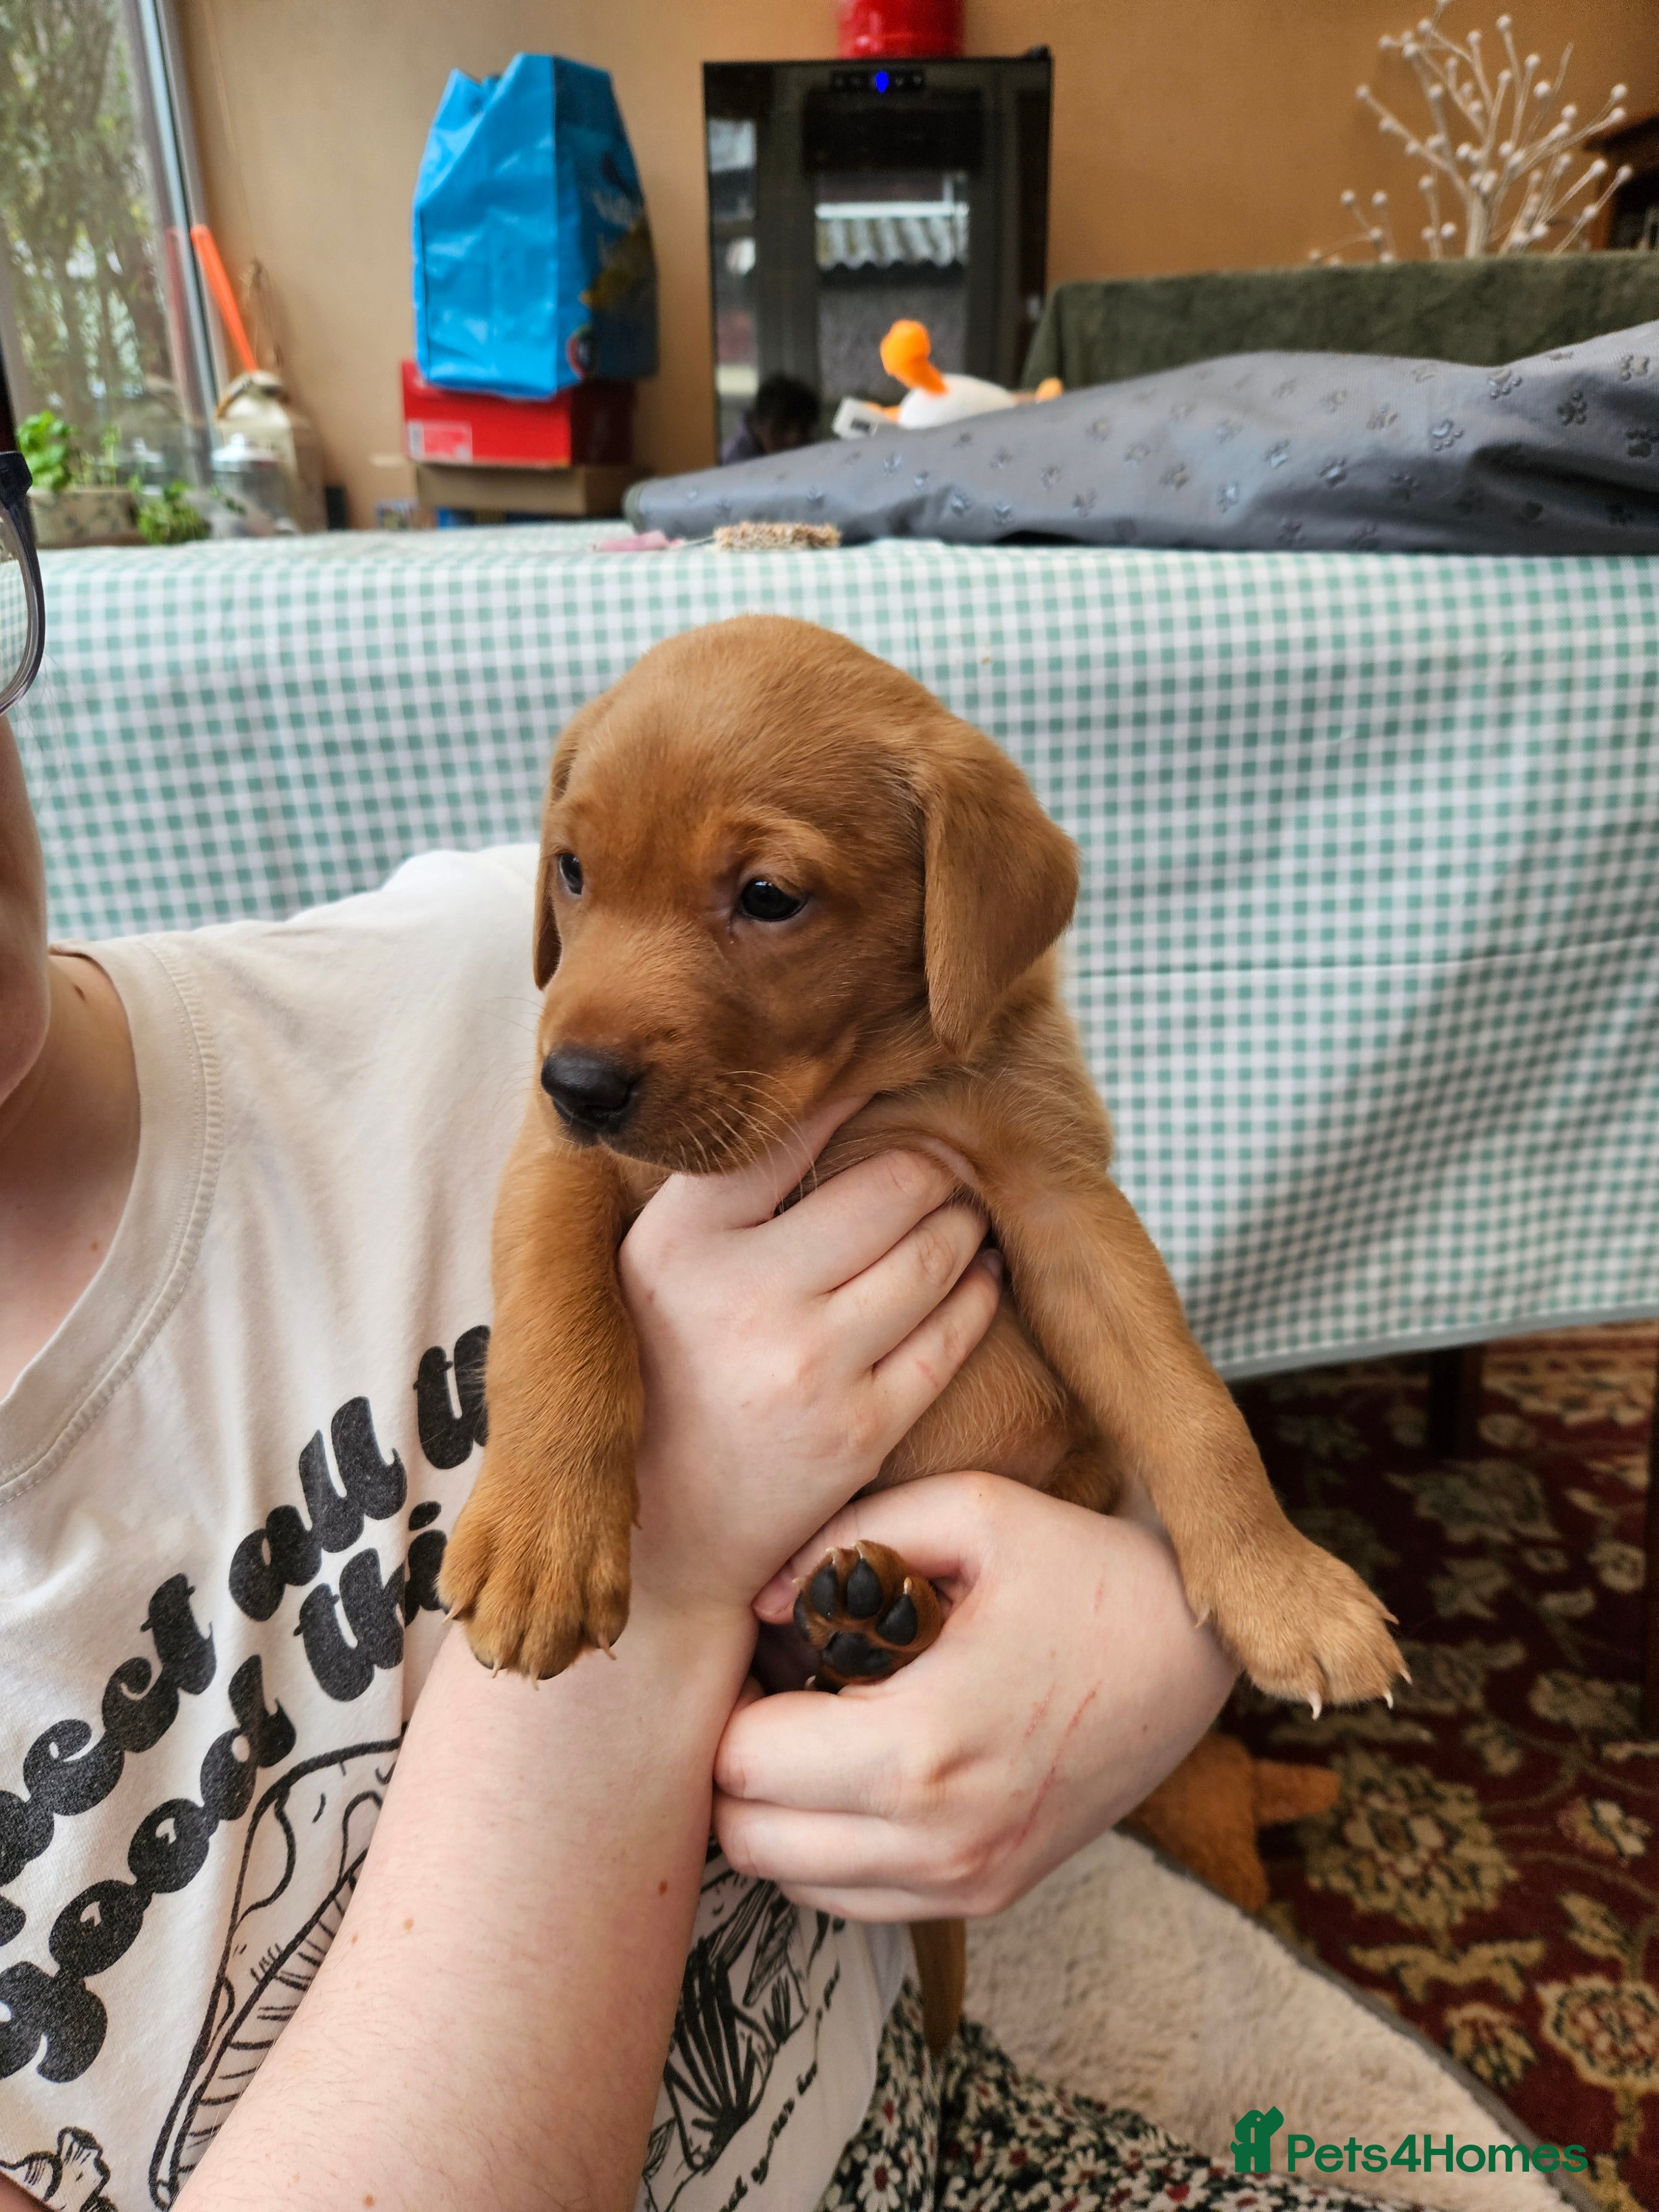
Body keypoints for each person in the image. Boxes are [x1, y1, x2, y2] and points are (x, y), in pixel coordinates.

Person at [0, 692, 1405, 2212]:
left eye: (766, 896)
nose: (596, 1002)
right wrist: (605, 1491)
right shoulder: (565, 1057)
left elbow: (1089, 1278)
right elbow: (564, 1200)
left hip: (897, 2109)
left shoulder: (457, 968)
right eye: (579, 884)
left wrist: (1182, 1584)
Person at [720, 372, 821, 465]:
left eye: (803, 429)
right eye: (783, 428)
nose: (794, 439)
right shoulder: (732, 461)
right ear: (757, 423)